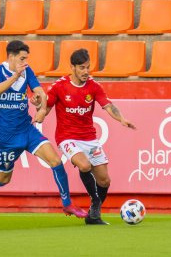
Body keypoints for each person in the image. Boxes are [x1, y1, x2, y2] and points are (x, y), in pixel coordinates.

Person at [0, 40, 87, 218]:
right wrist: (15, 76)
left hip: (26, 130)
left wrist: (42, 107)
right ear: (11, 57)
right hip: (7, 136)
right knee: (3, 179)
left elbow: (40, 92)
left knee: (56, 162)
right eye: (22, 58)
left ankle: (67, 204)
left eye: (26, 58)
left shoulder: (27, 71)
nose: (25, 62)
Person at [31, 49, 136, 225]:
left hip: (89, 138)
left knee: (104, 180)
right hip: (67, 137)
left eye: (88, 67)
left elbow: (108, 106)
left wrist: (122, 119)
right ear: (72, 67)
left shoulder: (94, 86)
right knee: (84, 165)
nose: (86, 71)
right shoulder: (59, 86)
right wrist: (39, 108)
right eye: (82, 68)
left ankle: (94, 216)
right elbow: (45, 108)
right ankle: (95, 202)